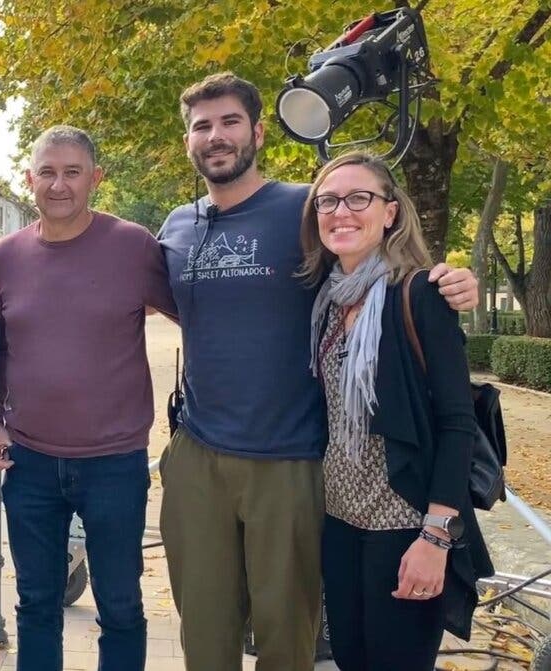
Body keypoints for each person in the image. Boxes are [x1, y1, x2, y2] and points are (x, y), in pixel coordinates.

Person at [155, 72, 479, 670]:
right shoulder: (176, 227)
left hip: (292, 458)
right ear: (188, 141)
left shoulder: (306, 208)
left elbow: (377, 260)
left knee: (287, 635)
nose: (216, 136)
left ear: (256, 132)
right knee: (203, 631)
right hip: (198, 451)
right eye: (202, 126)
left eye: (230, 122)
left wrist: (450, 280)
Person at [0, 125, 177, 671]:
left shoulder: (133, 246)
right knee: (37, 604)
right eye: (47, 172)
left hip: (115, 463)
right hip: (30, 462)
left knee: (119, 605)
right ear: (29, 179)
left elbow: (202, 315)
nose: (59, 184)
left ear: (96, 178)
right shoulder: (6, 256)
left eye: (72, 172)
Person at [300, 152, 493, 670]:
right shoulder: (323, 301)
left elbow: (457, 423)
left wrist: (435, 538)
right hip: (340, 523)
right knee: (351, 661)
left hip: (405, 525)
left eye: (359, 198)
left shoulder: (420, 294)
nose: (342, 211)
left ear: (389, 213)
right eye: (328, 201)